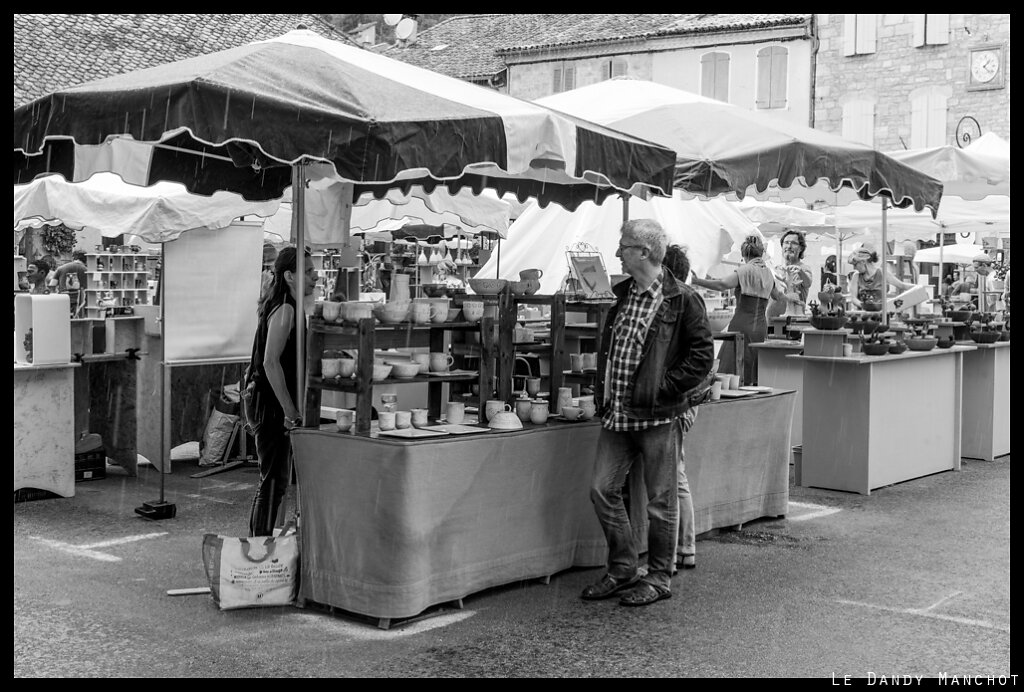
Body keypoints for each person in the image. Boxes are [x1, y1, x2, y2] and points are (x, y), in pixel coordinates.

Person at [582, 220, 714, 607]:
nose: (618, 252)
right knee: (601, 489)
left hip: (657, 414)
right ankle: (623, 568)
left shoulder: (682, 298)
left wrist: (664, 387)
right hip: (619, 413)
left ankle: (658, 576)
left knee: (661, 501)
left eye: (623, 247)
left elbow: (702, 356)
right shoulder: (622, 293)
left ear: (643, 252)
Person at [248, 246, 318, 537]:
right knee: (273, 482)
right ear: (290, 275)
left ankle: (260, 547)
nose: (315, 276)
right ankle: (257, 553)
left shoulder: (286, 303)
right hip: (271, 404)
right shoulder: (286, 308)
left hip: (267, 401)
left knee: (274, 481)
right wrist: (290, 410)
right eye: (309, 272)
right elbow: (270, 362)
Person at [691, 235, 782, 385]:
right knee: (755, 371)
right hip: (760, 328)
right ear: (761, 252)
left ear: (744, 254)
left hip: (741, 326)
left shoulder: (744, 270)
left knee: (733, 371)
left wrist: (697, 281)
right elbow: (777, 296)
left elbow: (722, 284)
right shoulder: (769, 274)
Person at [661, 244, 700, 571]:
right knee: (676, 474)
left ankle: (682, 548)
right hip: (684, 397)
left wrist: (670, 387)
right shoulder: (686, 297)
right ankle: (684, 548)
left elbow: (695, 356)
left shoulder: (681, 300)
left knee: (675, 476)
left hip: (678, 399)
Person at [847, 243, 916, 310]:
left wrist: (919, 287)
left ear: (863, 262)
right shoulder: (856, 276)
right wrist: (865, 306)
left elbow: (902, 285)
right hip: (863, 316)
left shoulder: (882, 273)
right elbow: (853, 298)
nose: (854, 268)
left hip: (880, 316)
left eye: (855, 265)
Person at [767, 229, 812, 318]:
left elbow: (808, 283)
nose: (789, 246)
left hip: (792, 321)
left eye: (794, 243)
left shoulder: (804, 269)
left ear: (801, 248)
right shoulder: (775, 270)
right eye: (786, 242)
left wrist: (800, 272)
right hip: (771, 319)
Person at [51, 251, 88, 317]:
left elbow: (52, 285)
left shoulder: (61, 268)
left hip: (63, 299)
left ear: (73, 258)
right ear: (86, 259)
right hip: (80, 301)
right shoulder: (87, 270)